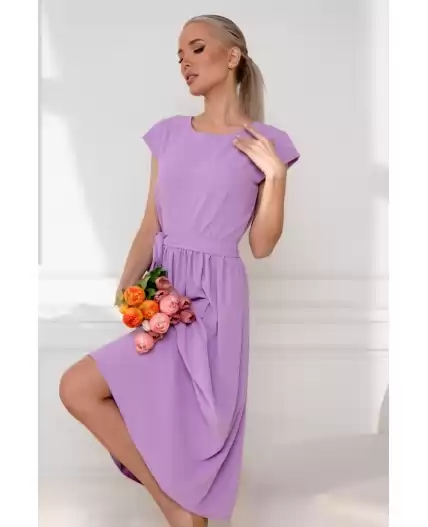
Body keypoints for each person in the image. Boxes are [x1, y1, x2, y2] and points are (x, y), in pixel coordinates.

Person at [59, 14, 300, 527]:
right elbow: (151, 221)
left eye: (196, 48)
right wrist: (127, 290)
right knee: (78, 387)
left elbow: (262, 246)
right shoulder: (168, 135)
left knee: (198, 429)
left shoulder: (266, 143)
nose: (185, 62)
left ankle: (184, 512)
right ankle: (177, 508)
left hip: (216, 304)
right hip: (165, 295)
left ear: (232, 56)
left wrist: (276, 177)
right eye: (179, 55)